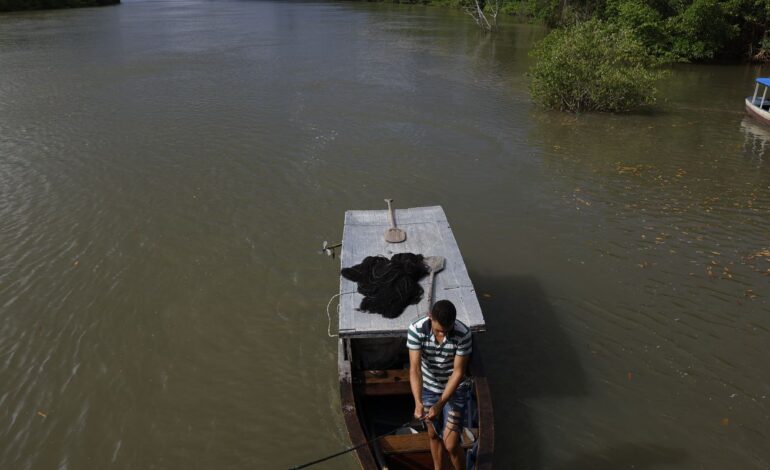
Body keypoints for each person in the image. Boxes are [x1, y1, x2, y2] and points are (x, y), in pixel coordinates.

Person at [407, 299, 472, 470]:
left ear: (454, 323)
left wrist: (440, 404)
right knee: (433, 434)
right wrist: (418, 403)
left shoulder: (463, 333)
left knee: (450, 444)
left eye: (446, 330)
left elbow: (458, 373)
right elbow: (415, 370)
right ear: (430, 317)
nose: (442, 334)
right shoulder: (416, 330)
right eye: (438, 330)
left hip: (455, 388)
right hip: (429, 387)